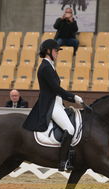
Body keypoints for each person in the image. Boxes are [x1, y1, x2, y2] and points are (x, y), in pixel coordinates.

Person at [23, 39, 84, 172]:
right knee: (70, 129)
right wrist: (73, 98)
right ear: (49, 51)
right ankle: (63, 162)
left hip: (57, 102)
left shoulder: (50, 65)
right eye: (56, 50)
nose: (58, 53)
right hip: (51, 104)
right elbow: (56, 89)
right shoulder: (45, 67)